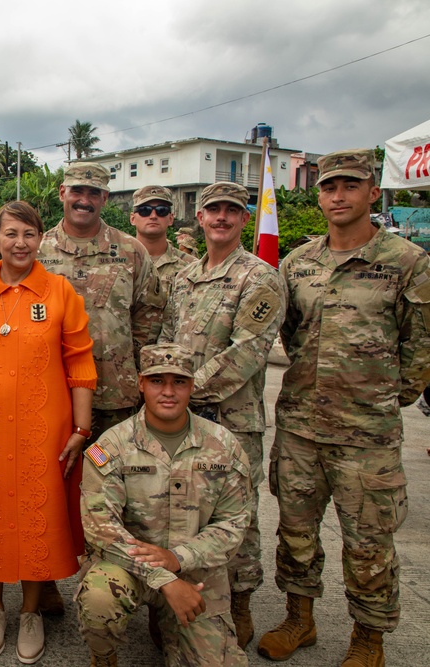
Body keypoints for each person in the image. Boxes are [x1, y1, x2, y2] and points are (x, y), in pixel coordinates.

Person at [259, 150, 430, 667]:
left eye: (350, 186)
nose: (339, 195)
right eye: (330, 186)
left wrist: (381, 399)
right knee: (295, 532)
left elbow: (420, 348)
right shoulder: (299, 263)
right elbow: (288, 335)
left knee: (368, 544)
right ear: (319, 195)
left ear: (372, 193)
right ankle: (299, 619)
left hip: (367, 435)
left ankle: (368, 639)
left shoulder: (406, 261)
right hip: (301, 427)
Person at [0, 200, 96, 663]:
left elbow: (80, 361)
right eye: (11, 234)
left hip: (44, 431)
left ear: (40, 238)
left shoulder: (60, 292)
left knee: (35, 515)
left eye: (29, 233)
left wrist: (81, 427)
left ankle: (30, 611)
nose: (20, 243)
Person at [158, 181, 286, 648]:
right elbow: (168, 338)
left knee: (238, 515)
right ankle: (184, 599)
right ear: (201, 217)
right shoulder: (185, 276)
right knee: (184, 509)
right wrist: (169, 394)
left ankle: (241, 602)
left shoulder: (260, 277)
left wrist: (180, 390)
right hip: (181, 418)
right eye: (214, 210)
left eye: (232, 211)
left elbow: (248, 351)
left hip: (232, 420)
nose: (222, 218)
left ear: (243, 218)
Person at [37, 161, 165, 614]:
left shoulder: (131, 251)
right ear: (62, 192)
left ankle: (112, 582)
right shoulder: (37, 248)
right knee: (50, 490)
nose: (84, 199)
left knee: (119, 494)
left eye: (94, 192)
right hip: (50, 398)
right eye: (77, 190)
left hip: (116, 401)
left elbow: (148, 318)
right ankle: (45, 576)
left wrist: (140, 379)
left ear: (106, 199)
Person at [77, 343, 251, 667]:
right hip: (129, 566)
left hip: (194, 571)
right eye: (158, 381)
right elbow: (101, 527)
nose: (168, 392)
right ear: (141, 383)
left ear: (192, 386)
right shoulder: (112, 446)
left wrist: (178, 559)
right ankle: (104, 656)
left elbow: (234, 522)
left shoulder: (223, 446)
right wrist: (163, 577)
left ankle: (170, 625)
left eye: (179, 382)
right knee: (99, 599)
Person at [129, 186, 194, 293]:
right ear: (132, 218)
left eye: (161, 210)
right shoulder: (115, 262)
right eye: (145, 210)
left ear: (171, 218)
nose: (153, 216)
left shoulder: (191, 267)